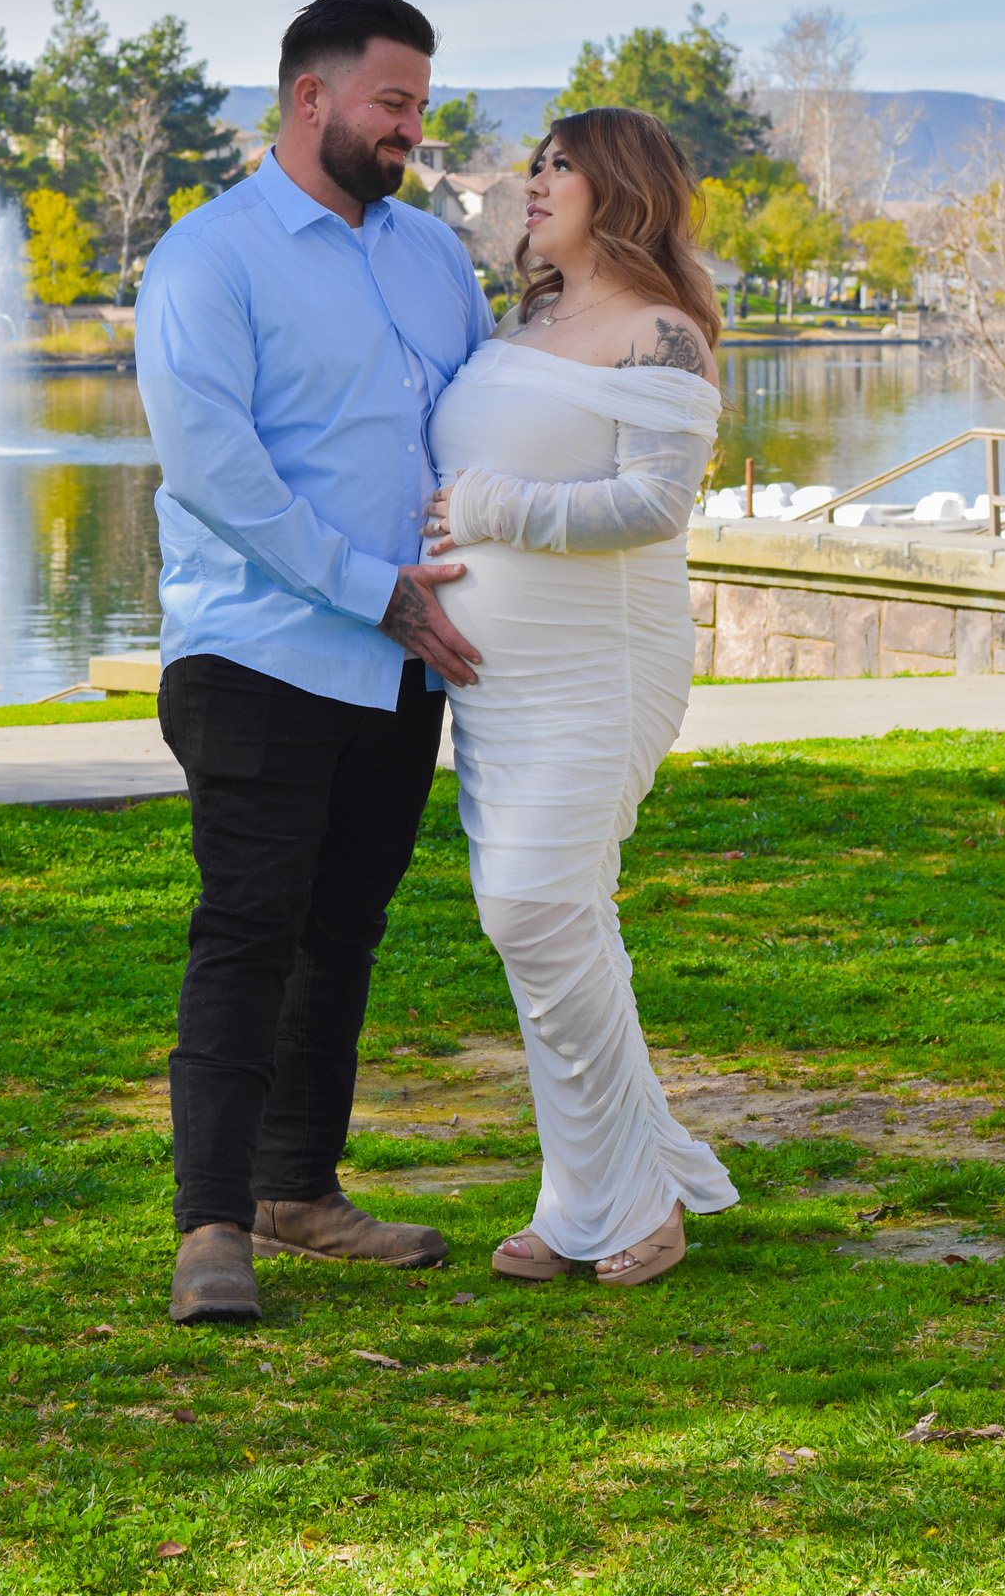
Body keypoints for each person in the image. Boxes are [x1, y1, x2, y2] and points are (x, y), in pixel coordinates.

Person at [134, 0, 492, 1324]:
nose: (411, 130)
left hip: (400, 664)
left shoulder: (434, 255)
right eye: (393, 103)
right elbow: (215, 469)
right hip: (257, 653)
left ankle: (296, 1188)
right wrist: (370, 590)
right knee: (247, 932)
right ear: (310, 97)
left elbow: (472, 426)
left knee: (341, 932)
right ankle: (211, 1229)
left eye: (420, 107)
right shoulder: (207, 260)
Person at [422, 107, 740, 1286]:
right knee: (551, 926)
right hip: (499, 685)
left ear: (621, 187)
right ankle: (585, 1198)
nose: (535, 181)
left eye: (562, 165)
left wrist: (495, 509)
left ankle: (644, 1192)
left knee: (533, 907)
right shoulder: (528, 320)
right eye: (537, 163)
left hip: (599, 668)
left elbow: (654, 504)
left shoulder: (662, 334)